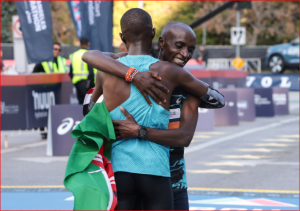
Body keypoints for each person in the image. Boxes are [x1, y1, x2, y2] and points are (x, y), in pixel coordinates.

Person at [82, 8, 224, 210]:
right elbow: (219, 100)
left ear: (123, 37)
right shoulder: (171, 73)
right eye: (180, 46)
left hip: (127, 170)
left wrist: (136, 129)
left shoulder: (108, 69)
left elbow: (88, 110)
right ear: (157, 38)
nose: (185, 54)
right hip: (155, 170)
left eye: (190, 50)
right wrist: (133, 75)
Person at [69, 37, 95, 104]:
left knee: (81, 103)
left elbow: (70, 72)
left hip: (77, 83)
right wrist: (91, 84)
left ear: (80, 44)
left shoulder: (74, 55)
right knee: (89, 104)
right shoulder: (89, 54)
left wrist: (74, 82)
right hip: (87, 83)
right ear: (88, 44)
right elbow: (91, 72)